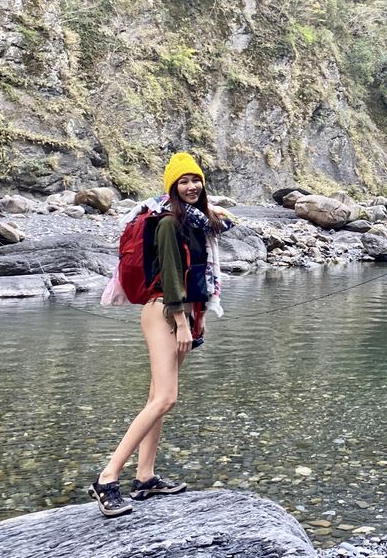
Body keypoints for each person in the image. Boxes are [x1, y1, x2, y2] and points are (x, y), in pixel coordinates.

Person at [89, 152, 234, 517]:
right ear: (172, 186)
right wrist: (182, 322)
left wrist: (197, 319)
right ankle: (106, 479)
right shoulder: (169, 223)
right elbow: (171, 275)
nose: (190, 186)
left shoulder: (199, 222)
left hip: (185, 313)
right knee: (165, 399)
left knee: (158, 396)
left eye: (195, 180)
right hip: (163, 312)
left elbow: (199, 273)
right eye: (182, 181)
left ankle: (145, 477)